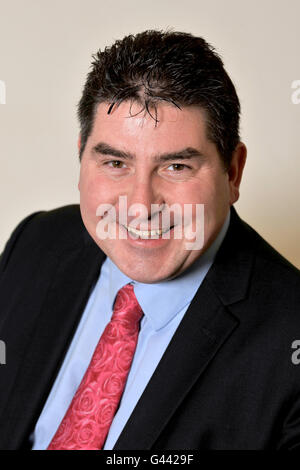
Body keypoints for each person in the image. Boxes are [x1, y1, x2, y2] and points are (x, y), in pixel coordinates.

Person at [0, 30, 299, 451]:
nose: (140, 207)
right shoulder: (36, 244)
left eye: (176, 166)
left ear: (233, 171)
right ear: (82, 154)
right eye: (116, 162)